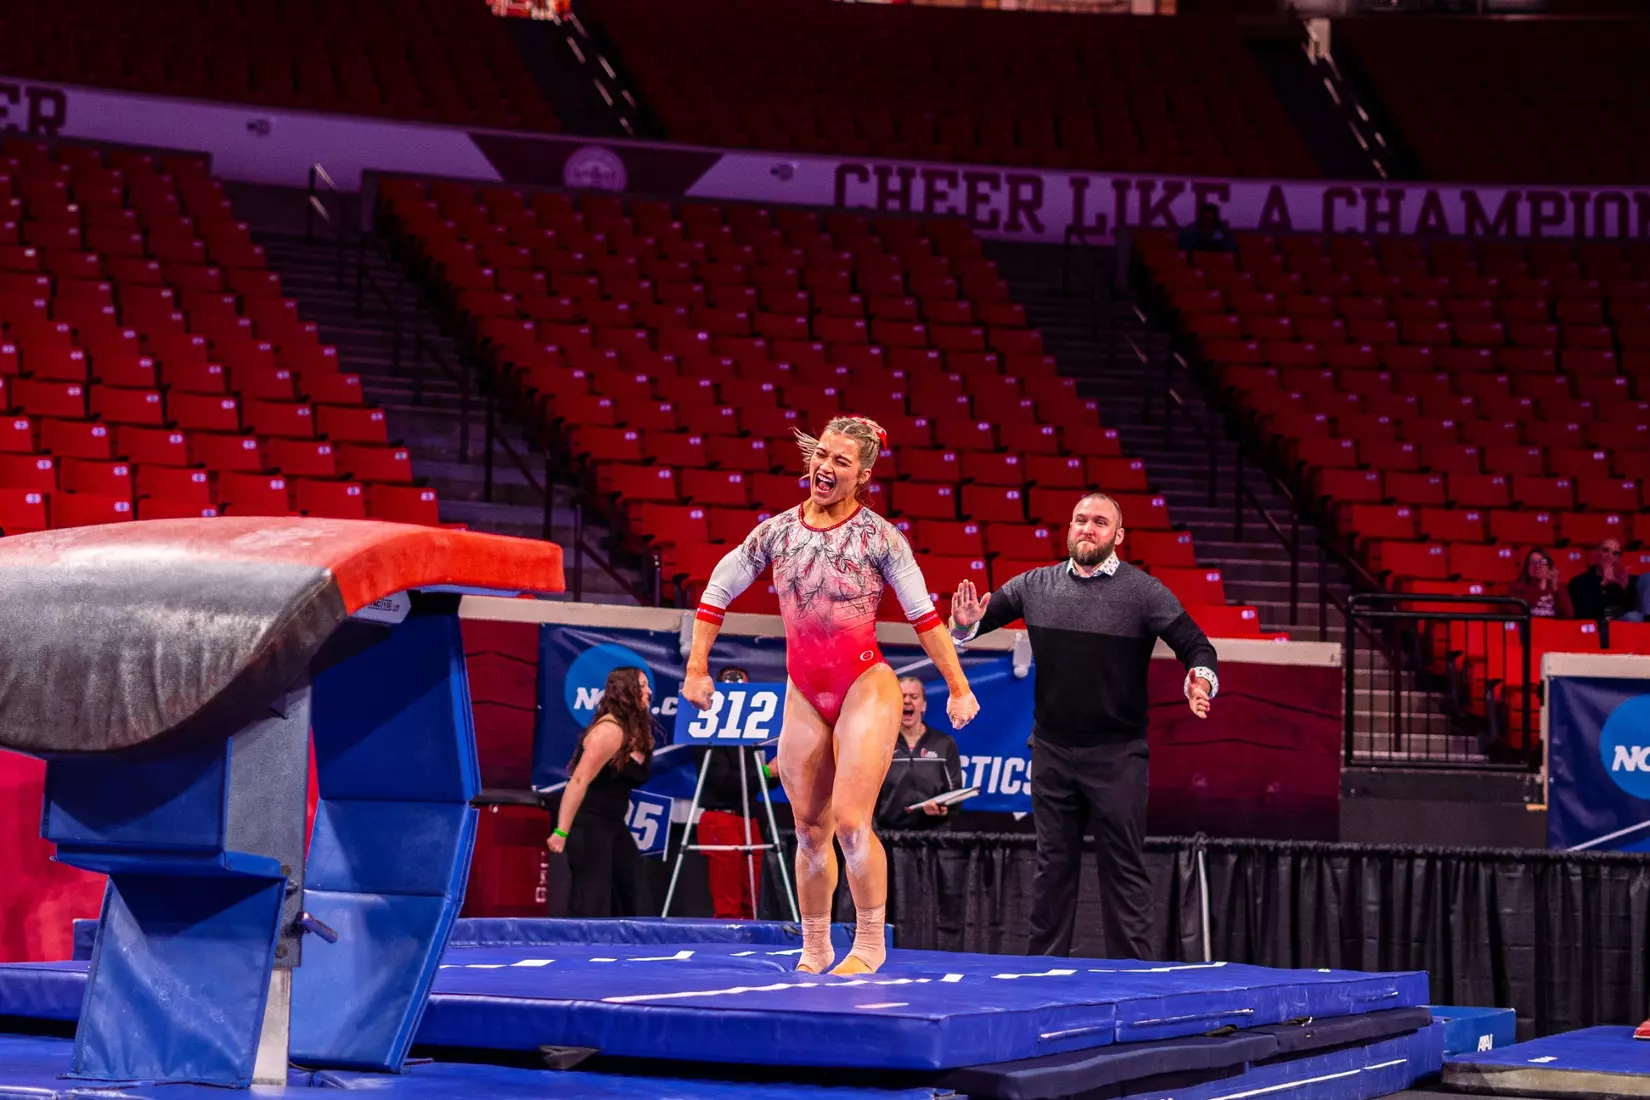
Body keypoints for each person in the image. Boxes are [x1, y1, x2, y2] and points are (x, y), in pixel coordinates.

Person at [683, 415, 979, 975]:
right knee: (808, 829)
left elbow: (925, 617)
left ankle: (869, 942)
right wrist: (697, 667)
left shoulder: (880, 538)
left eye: (841, 461)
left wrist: (959, 688)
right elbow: (717, 588)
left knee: (849, 822)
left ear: (863, 475)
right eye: (821, 455)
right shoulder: (776, 532)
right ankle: (815, 948)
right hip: (804, 691)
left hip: (865, 684)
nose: (825, 467)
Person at [950, 491, 1217, 961]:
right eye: (1079, 520)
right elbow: (973, 628)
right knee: (1052, 870)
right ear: (1068, 529)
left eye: (1099, 522)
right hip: (1053, 753)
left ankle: (1131, 979)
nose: (1087, 529)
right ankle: (1039, 979)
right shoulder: (1035, 586)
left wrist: (1200, 680)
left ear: (1118, 535)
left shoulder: (1144, 592)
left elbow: (1197, 647)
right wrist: (966, 626)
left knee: (1124, 871)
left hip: (1118, 757)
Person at [547, 667, 655, 918]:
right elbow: (578, 781)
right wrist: (561, 830)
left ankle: (629, 952)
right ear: (626, 693)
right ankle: (579, 953)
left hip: (613, 825)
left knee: (632, 889)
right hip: (587, 824)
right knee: (592, 899)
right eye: (642, 685)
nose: (649, 691)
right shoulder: (608, 731)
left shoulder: (635, 732)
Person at [694, 665, 779, 919]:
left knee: (750, 902)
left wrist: (776, 772)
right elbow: (724, 780)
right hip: (721, 820)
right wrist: (765, 773)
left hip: (748, 818)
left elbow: (756, 781)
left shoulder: (750, 733)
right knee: (727, 904)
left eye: (744, 690)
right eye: (731, 689)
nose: (738, 696)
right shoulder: (706, 730)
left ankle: (749, 950)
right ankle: (726, 954)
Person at [875, 676, 964, 831]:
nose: (907, 701)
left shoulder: (944, 743)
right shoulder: (879, 743)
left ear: (923, 705)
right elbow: (866, 798)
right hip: (888, 838)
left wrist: (943, 810)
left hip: (933, 840)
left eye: (914, 697)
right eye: (902, 697)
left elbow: (955, 794)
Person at [1567, 539, 1635, 620]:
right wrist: (1604, 586)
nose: (1610, 556)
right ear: (1596, 553)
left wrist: (1616, 587)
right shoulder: (1578, 582)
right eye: (1606, 550)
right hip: (1592, 628)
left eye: (1615, 553)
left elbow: (1627, 610)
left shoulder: (1624, 583)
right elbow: (1584, 614)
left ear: (1618, 559)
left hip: (1619, 628)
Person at [1508, 548, 1574, 619]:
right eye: (1533, 562)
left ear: (1549, 566)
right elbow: (1517, 615)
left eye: (1542, 562)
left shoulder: (1559, 589)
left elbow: (1568, 615)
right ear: (1527, 568)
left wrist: (1556, 590)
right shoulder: (1518, 588)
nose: (1537, 566)